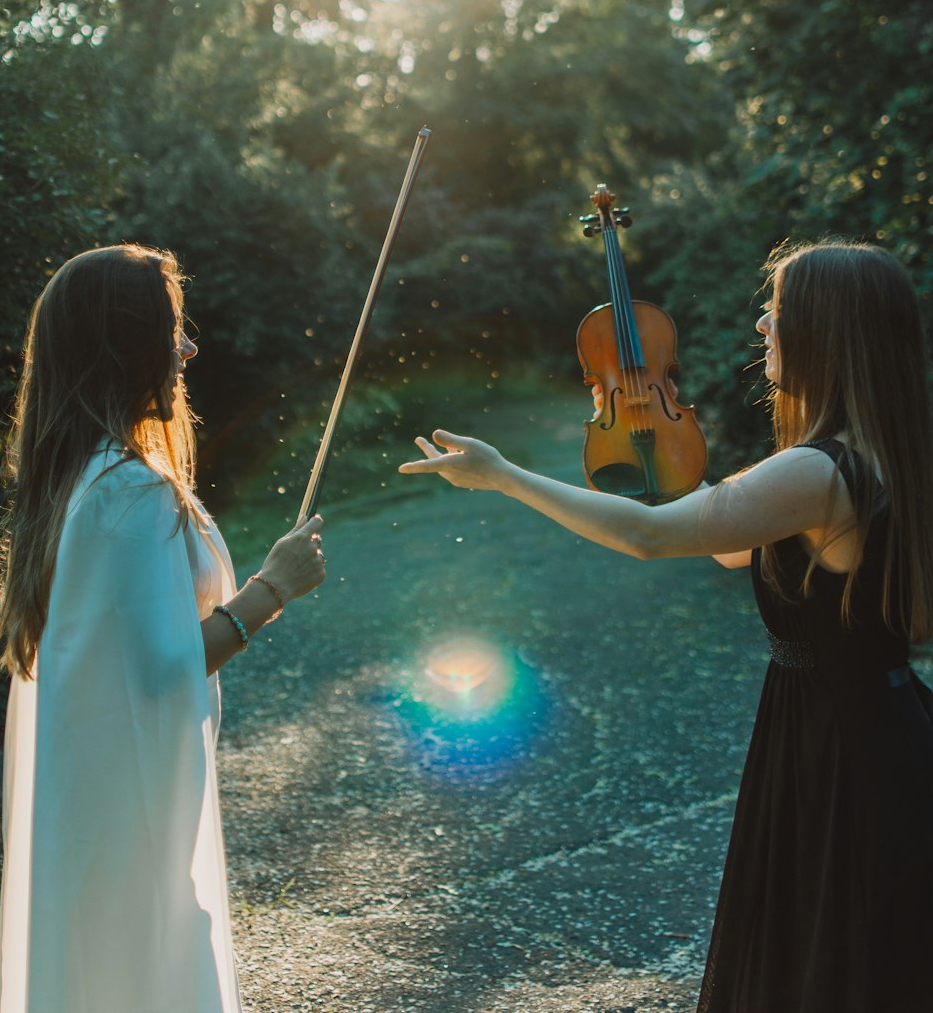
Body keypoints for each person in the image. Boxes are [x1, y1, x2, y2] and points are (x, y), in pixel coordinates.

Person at [399, 240, 933, 1012]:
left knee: (833, 968)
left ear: (827, 329)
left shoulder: (815, 472)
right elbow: (723, 543)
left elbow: (651, 538)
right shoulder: (876, 455)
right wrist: (648, 444)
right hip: (867, 728)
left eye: (777, 311)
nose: (760, 324)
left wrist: (503, 476)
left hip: (843, 750)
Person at [0, 243, 326, 1013]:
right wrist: (275, 587)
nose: (189, 349)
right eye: (172, 332)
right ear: (125, 346)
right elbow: (164, 668)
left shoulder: (88, 475)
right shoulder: (124, 491)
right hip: (126, 816)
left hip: (107, 804)